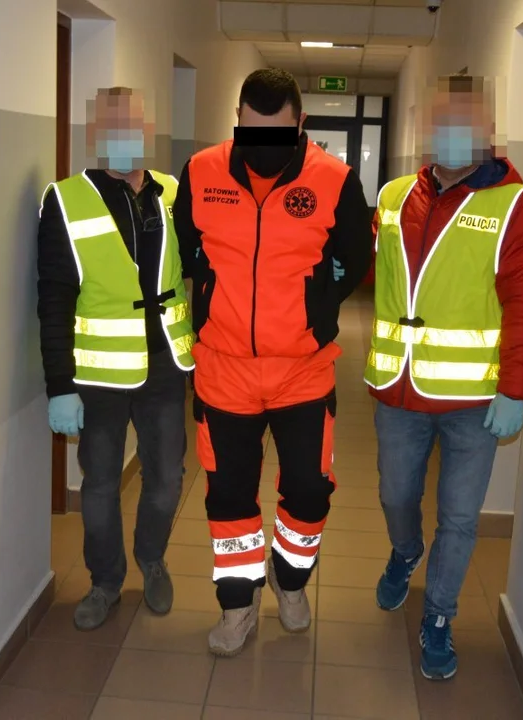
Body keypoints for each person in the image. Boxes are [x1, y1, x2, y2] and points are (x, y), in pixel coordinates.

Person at [173, 69, 373, 656]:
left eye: (277, 134)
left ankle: (290, 581)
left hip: (302, 371)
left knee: (309, 490)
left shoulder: (334, 180)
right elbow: (186, 249)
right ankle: (237, 605)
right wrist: (214, 296)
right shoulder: (201, 172)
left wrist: (316, 306)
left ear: (301, 124)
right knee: (229, 495)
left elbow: (355, 254)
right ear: (237, 122)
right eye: (251, 132)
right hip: (224, 369)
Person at [366, 74, 523, 680]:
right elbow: (377, 269)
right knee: (395, 495)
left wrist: (515, 387)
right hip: (399, 390)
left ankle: (439, 616)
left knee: (461, 517)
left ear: (487, 131)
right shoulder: (394, 197)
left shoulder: (514, 206)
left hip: (474, 399)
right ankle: (405, 552)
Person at [37, 87, 195, 631]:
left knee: (167, 479)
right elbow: (54, 299)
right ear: (94, 134)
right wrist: (59, 385)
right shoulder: (66, 200)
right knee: (100, 485)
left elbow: (205, 259)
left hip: (165, 365)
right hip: (99, 373)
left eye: (135, 125)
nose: (125, 137)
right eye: (113, 126)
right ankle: (105, 581)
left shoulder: (173, 192)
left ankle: (152, 558)